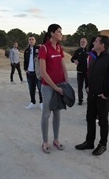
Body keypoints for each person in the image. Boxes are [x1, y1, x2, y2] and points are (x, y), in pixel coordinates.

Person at [75, 35, 109, 156]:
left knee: (102, 121)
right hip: (92, 94)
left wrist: (106, 94)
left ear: (102, 45)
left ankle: (103, 144)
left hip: (103, 96)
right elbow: (90, 74)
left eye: (96, 41)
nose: (93, 43)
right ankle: (89, 142)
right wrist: (88, 85)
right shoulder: (93, 57)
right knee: (90, 119)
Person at [39, 24, 68, 154]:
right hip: (48, 87)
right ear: (51, 33)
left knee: (57, 112)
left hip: (60, 85)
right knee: (46, 114)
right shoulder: (44, 48)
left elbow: (64, 67)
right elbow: (43, 72)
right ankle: (45, 141)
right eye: (58, 32)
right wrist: (55, 88)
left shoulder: (59, 48)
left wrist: (66, 83)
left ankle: (56, 139)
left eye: (61, 32)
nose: (60, 34)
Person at [23, 36, 43, 110]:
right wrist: (25, 69)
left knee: (40, 88)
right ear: (28, 41)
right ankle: (32, 102)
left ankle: (42, 103)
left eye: (32, 39)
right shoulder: (26, 50)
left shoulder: (39, 48)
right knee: (31, 89)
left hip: (37, 73)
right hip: (29, 73)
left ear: (35, 40)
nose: (31, 41)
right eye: (29, 39)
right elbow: (25, 61)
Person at [70, 38, 88, 105]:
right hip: (80, 72)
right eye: (81, 42)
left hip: (87, 72)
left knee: (88, 86)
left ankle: (89, 99)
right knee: (80, 87)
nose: (82, 43)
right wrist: (75, 61)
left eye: (84, 42)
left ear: (86, 43)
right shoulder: (77, 51)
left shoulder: (89, 51)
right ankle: (80, 100)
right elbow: (72, 59)